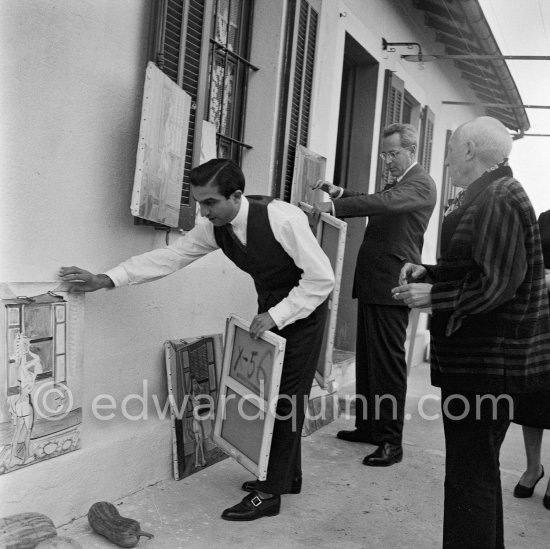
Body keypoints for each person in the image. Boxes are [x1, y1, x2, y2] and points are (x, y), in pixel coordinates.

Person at [59, 158, 334, 521]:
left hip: (305, 309)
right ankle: (288, 476)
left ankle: (270, 493)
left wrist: (279, 314)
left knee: (285, 397)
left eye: (210, 203)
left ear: (235, 196)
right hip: (269, 308)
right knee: (273, 394)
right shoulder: (215, 227)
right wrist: (107, 278)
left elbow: (321, 278)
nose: (203, 212)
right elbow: (170, 257)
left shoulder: (282, 219)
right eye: (199, 203)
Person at [392, 116, 550, 548]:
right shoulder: (492, 194)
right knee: (473, 472)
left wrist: (434, 296)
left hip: (485, 369)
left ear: (469, 151)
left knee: (470, 476)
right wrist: (431, 273)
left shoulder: (497, 198)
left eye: (449, 150)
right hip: (480, 366)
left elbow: (498, 284)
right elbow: (481, 268)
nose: (444, 161)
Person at [313, 123, 436, 466]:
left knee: (388, 366)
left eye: (393, 153)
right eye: (384, 154)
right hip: (374, 281)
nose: (388, 161)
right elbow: (379, 200)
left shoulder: (421, 183)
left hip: (392, 284)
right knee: (368, 362)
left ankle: (391, 442)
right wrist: (341, 193)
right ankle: (368, 427)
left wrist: (333, 208)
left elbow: (385, 203)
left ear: (412, 151)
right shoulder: (402, 183)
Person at [511, 209, 550, 510]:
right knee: (533, 398)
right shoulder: (545, 218)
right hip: (542, 319)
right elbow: (528, 259)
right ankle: (533, 468)